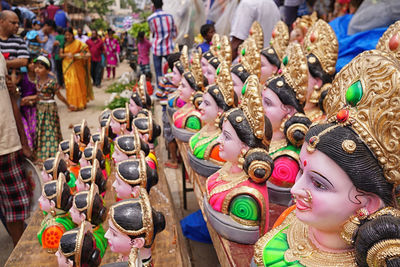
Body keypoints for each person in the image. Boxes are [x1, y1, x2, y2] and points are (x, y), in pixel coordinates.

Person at [254, 49, 400, 267]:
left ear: (368, 204)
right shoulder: (293, 219)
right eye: (302, 173)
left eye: (319, 184)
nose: (294, 189)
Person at [0, 51, 31, 246]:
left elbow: (10, 99)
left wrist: (23, 139)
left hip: (8, 144)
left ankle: (19, 256)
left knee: (16, 208)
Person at [34, 56, 70, 161]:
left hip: (50, 109)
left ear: (48, 69)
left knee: (52, 129)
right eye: (36, 67)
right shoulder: (37, 81)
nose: (37, 69)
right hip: (40, 108)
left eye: (40, 67)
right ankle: (42, 153)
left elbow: (59, 95)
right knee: (42, 129)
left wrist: (68, 104)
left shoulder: (52, 82)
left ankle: (54, 153)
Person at [60, 27, 93, 111]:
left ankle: (81, 103)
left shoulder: (78, 43)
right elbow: (60, 55)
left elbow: (87, 52)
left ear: (72, 35)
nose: (67, 37)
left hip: (78, 65)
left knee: (80, 83)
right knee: (71, 84)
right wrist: (67, 55)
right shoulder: (63, 43)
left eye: (69, 35)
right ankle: (72, 104)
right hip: (67, 66)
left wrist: (84, 55)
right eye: (66, 35)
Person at [147, 0, 177, 92]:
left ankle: (161, 89)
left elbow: (153, 33)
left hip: (157, 48)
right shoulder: (170, 16)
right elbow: (174, 33)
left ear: (153, 6)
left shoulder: (150, 18)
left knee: (158, 70)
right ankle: (172, 87)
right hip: (169, 47)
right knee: (172, 68)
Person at [18, 56, 37, 150]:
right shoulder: (23, 76)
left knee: (34, 129)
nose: (32, 65)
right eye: (30, 63)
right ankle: (30, 150)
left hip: (34, 107)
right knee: (26, 130)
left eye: (35, 63)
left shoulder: (39, 77)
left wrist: (28, 99)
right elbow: (15, 86)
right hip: (23, 107)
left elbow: (41, 94)